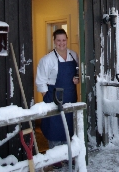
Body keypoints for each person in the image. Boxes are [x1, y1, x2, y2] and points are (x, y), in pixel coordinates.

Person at [35, 29, 79, 167]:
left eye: (64, 40)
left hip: (70, 98)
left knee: (70, 130)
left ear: (67, 39)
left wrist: (77, 78)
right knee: (55, 130)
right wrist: (47, 98)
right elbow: (40, 81)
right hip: (54, 99)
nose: (61, 43)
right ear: (54, 41)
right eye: (58, 40)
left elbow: (78, 71)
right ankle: (56, 160)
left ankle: (68, 156)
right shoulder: (47, 59)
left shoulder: (74, 55)